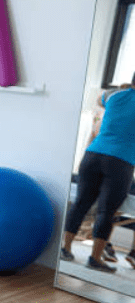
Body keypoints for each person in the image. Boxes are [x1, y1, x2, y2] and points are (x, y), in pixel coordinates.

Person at [62, 72, 135, 273]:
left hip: (92, 155)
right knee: (106, 211)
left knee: (81, 204)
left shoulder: (113, 95)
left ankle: (65, 248)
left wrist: (125, 90)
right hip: (120, 162)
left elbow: (98, 99)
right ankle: (95, 258)